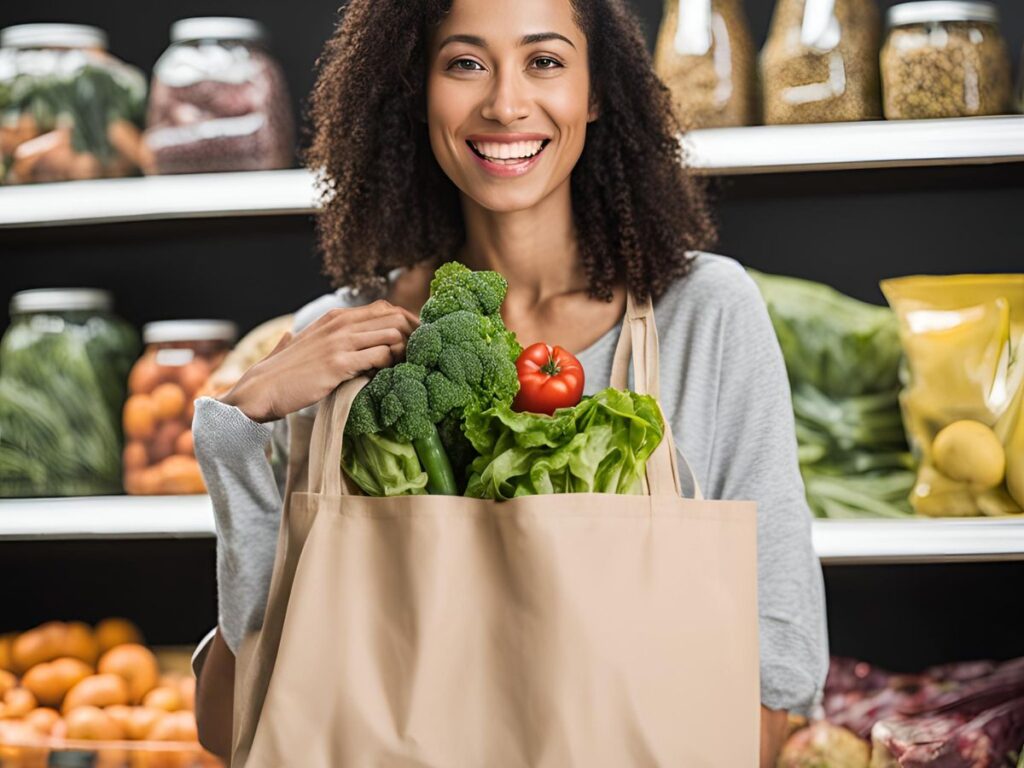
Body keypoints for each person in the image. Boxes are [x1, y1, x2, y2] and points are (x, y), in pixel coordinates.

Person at [191, 0, 829, 764]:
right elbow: (231, 718)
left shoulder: (705, 314)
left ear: (594, 94)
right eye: (465, 63)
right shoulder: (342, 338)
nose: (504, 102)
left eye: (545, 62)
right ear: (418, 89)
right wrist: (236, 430)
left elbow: (777, 672)